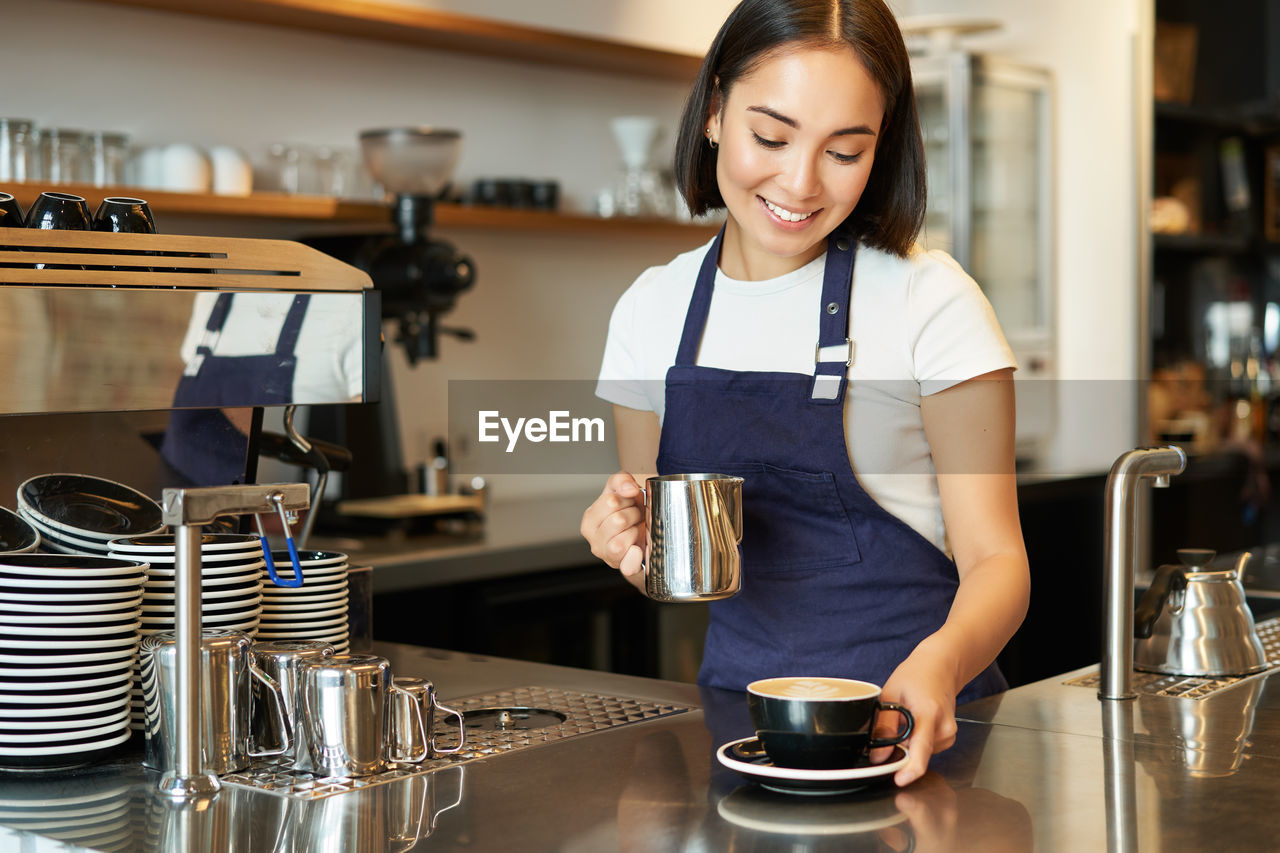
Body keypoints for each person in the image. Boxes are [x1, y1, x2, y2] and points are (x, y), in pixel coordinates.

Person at [580, 0, 1030, 787]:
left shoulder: (930, 299)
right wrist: (627, 540)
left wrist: (942, 660)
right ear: (716, 110)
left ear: (881, 147)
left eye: (845, 151)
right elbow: (670, 561)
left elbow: (998, 561)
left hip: (917, 734)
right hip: (740, 734)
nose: (800, 181)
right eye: (771, 136)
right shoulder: (650, 310)